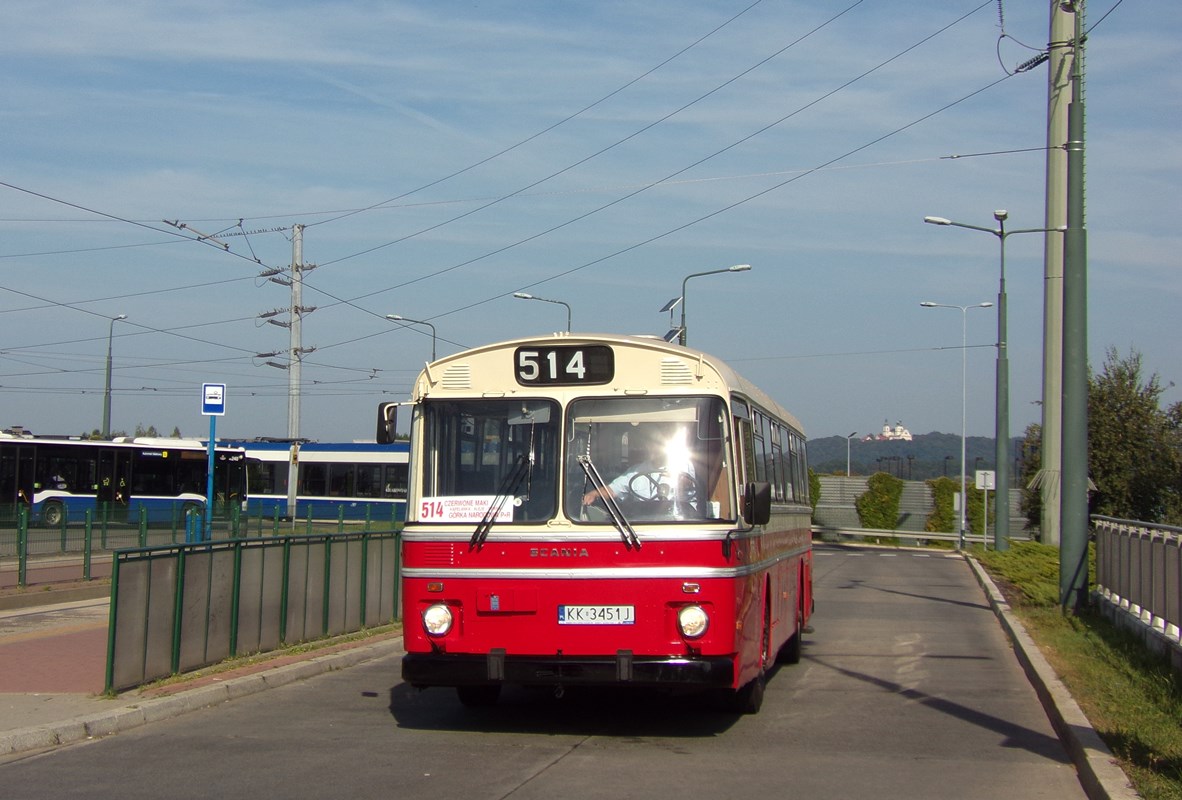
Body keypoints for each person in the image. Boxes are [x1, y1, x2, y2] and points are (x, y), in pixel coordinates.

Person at [582, 430, 697, 514]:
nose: (655, 448)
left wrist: (679, 479)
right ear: (647, 447)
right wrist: (594, 494)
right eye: (652, 444)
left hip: (678, 519)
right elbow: (613, 489)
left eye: (659, 445)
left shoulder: (682, 464)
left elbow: (688, 483)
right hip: (643, 522)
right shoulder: (636, 471)